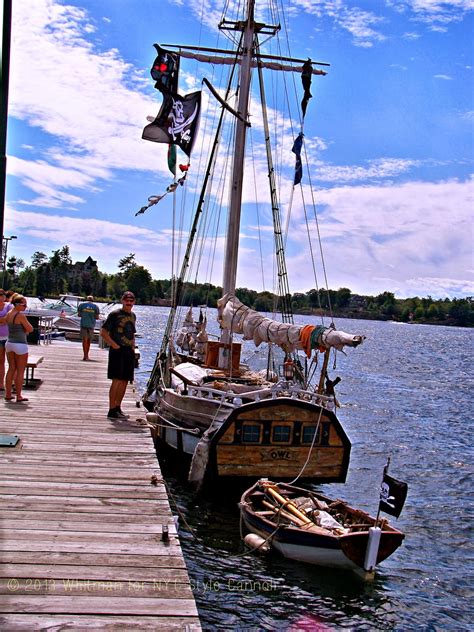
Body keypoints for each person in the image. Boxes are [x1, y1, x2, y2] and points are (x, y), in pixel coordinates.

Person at [100, 291, 136, 419]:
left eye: (131, 301)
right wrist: (114, 345)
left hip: (128, 351)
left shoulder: (133, 316)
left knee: (125, 381)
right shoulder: (115, 314)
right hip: (117, 350)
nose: (129, 303)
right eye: (127, 300)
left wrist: (133, 348)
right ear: (122, 301)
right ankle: (111, 409)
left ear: (134, 302)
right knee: (116, 380)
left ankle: (118, 407)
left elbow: (132, 334)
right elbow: (103, 332)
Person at [4, 295, 33, 403]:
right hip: (20, 344)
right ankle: (19, 395)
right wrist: (26, 330)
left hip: (9, 343)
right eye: (24, 305)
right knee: (20, 371)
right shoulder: (20, 315)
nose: (26, 307)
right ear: (17, 304)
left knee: (11, 369)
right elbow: (30, 328)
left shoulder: (9, 314)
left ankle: (8, 394)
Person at [77, 295, 100, 361]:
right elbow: (97, 317)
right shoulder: (95, 307)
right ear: (93, 300)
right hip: (91, 325)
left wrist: (85, 314)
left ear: (87, 299)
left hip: (83, 324)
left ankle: (85, 355)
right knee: (89, 341)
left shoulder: (81, 305)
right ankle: (87, 355)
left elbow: (79, 315)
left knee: (84, 340)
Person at [0, 289, 14, 390]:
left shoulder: (8, 306)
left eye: (2, 295)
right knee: (0, 361)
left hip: (9, 337)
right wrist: (3, 319)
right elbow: (4, 319)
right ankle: (1, 383)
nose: (1, 297)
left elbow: (9, 317)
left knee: (11, 361)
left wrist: (4, 319)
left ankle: (11, 384)